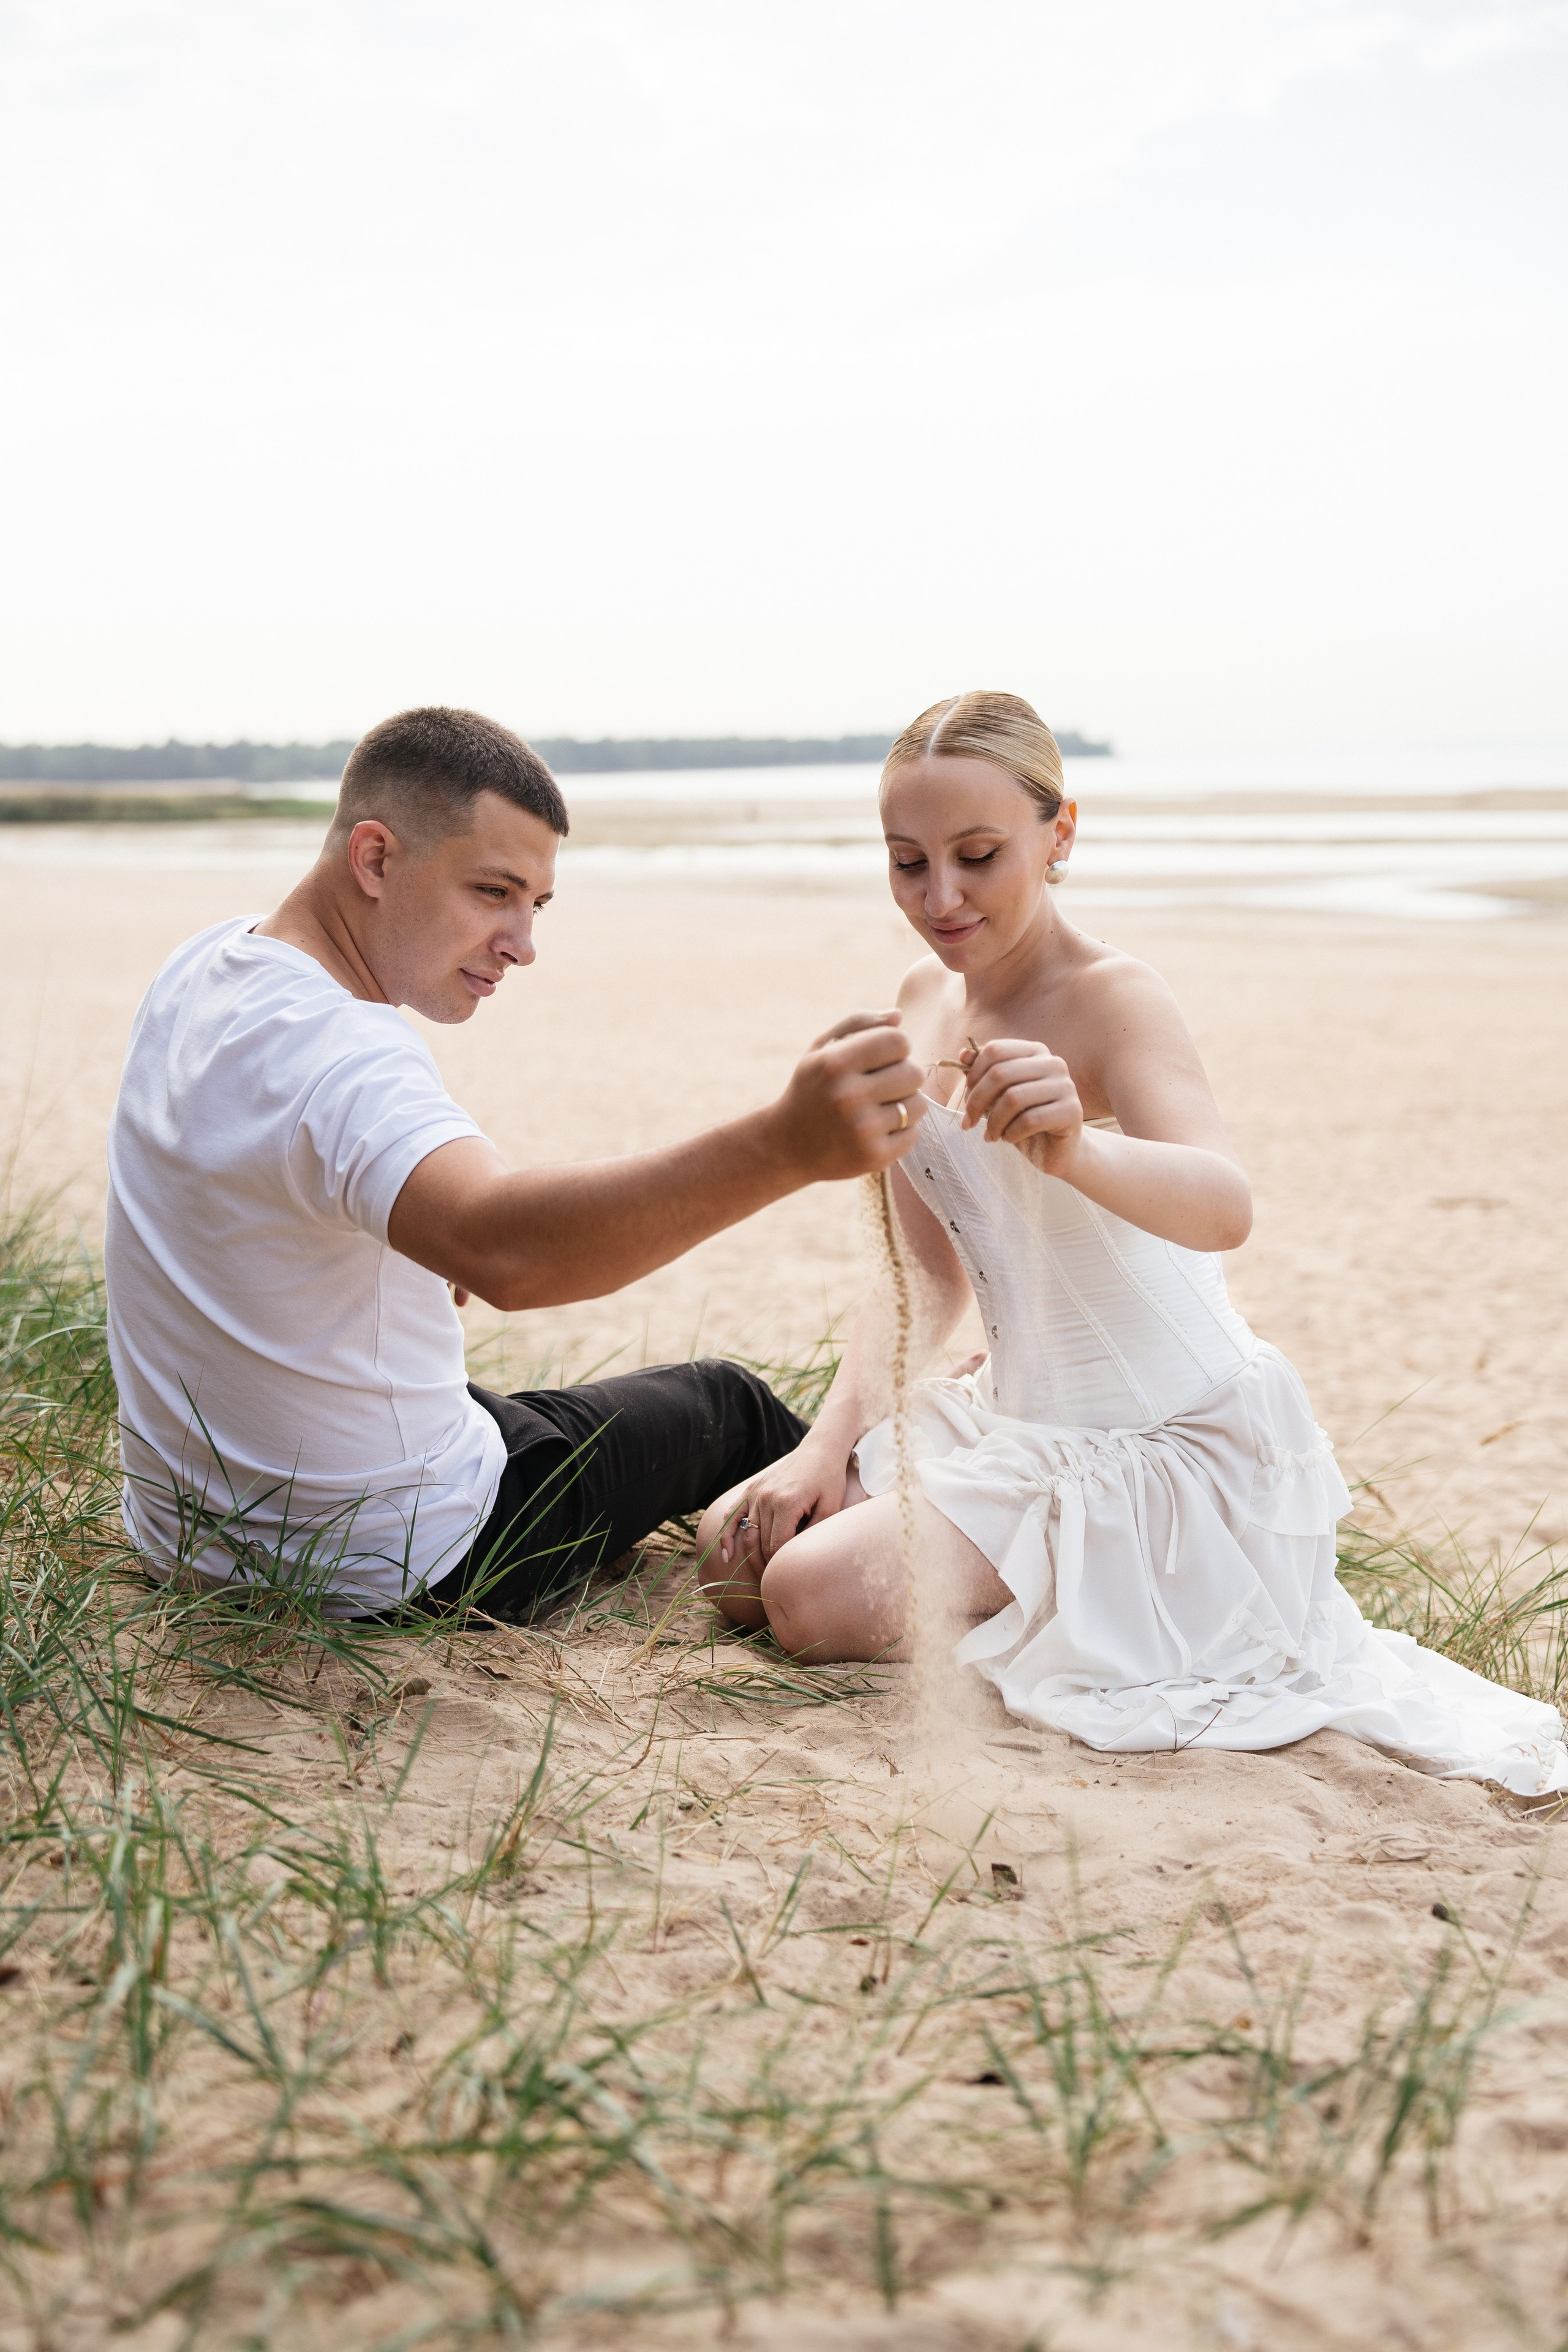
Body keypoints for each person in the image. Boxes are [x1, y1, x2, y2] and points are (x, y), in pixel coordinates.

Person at [698, 690, 1568, 1796]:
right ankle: (1042, 1593)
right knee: (733, 1560)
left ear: (1059, 836)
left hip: (1163, 1444)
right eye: (909, 862)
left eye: (977, 856)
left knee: (805, 1599)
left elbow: (1225, 1204)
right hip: (1013, 1422)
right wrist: (824, 1452)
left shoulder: (1115, 999)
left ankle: (1119, 1607)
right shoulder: (921, 999)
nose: (941, 896)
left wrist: (1079, 1151)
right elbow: (927, 1268)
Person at [105, 706, 926, 1619]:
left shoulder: (205, 967)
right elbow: (512, 1257)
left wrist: (426, 1232)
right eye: (492, 892)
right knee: (726, 1405)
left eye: (534, 905)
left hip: (191, 1536)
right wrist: (784, 1145)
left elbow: (260, 1177)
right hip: (402, 1561)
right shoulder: (345, 1055)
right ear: (375, 859)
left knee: (511, 1402)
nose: (522, 944)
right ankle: (914, 1548)